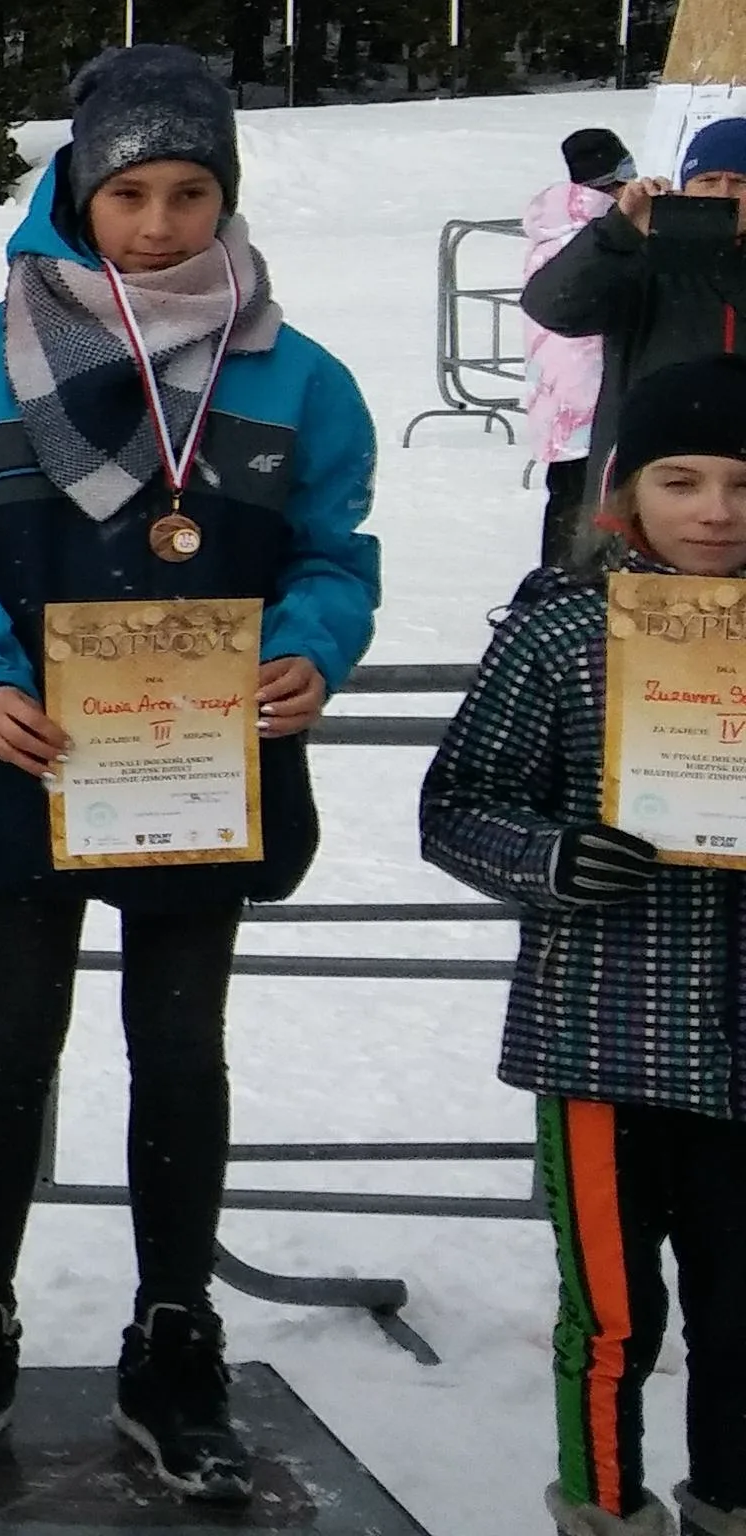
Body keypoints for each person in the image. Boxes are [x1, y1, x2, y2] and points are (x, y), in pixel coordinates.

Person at [0, 44, 381, 1502]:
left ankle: (174, 1344)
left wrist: (314, 652)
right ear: (76, 190)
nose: (157, 224)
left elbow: (338, 551)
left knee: (182, 1051)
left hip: (204, 771)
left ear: (229, 194)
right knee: (12, 1044)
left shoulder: (295, 373)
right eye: (129, 191)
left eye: (190, 191)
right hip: (32, 760)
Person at [420, 357, 746, 1536]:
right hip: (604, 1035)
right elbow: (459, 801)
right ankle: (604, 1511)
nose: (714, 512)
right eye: (682, 480)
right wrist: (552, 858)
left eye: (742, 485)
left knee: (739, 1309)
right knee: (612, 1315)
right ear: (625, 494)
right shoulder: (561, 633)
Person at [525, 118, 746, 501]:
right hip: (647, 479)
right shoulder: (642, 257)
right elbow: (554, 307)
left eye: (740, 182)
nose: (724, 193)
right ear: (685, 187)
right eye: (708, 181)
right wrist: (620, 229)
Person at [524, 129, 634, 570]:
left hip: (554, 390)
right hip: (595, 389)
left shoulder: (551, 226)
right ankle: (571, 589)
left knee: (567, 497)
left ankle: (552, 588)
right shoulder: (610, 231)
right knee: (592, 504)